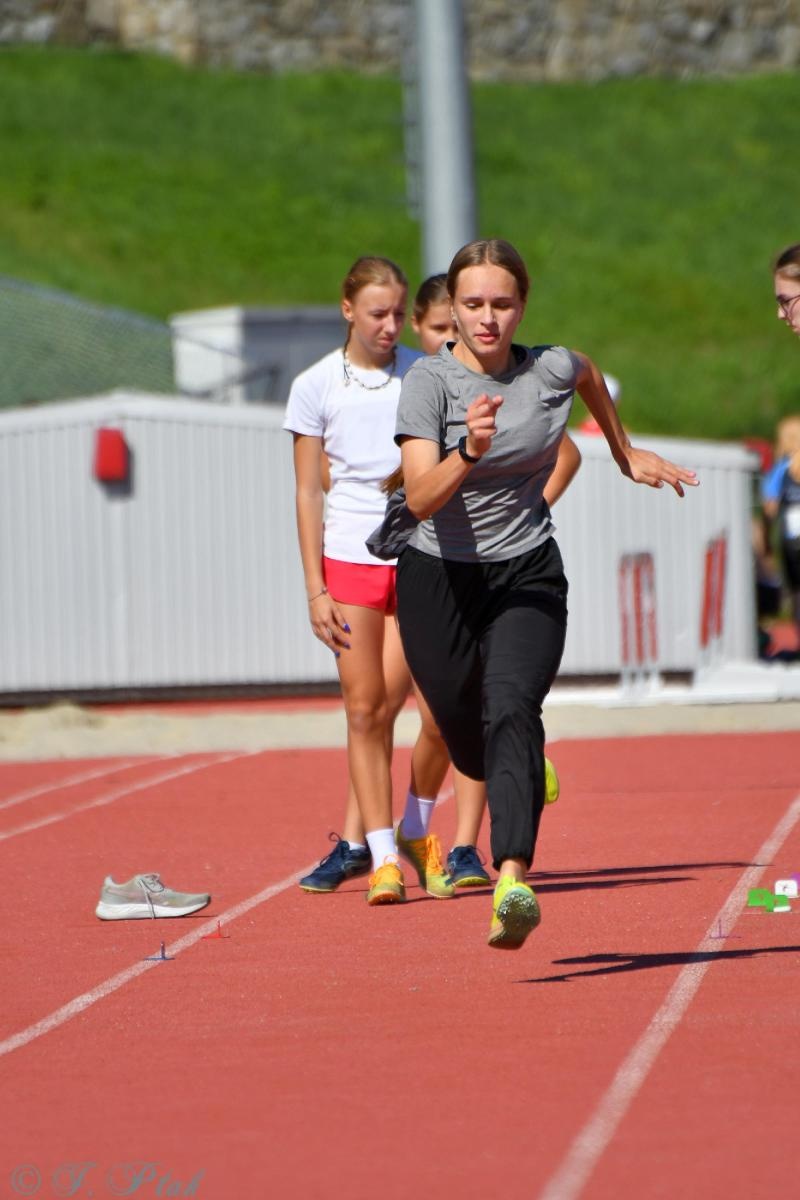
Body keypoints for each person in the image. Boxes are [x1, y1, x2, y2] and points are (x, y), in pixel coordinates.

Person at [392, 238, 698, 949]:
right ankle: (521, 761)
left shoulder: (548, 368)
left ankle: (511, 881)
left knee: (511, 706)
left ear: (522, 305)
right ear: (452, 308)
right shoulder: (429, 384)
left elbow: (585, 372)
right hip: (438, 576)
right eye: (473, 304)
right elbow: (420, 497)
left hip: (527, 571)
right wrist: (467, 450)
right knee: (464, 732)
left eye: (502, 303)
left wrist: (624, 451)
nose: (488, 318)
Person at [283, 255, 454, 906]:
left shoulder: (425, 373)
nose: (389, 326)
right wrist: (315, 588)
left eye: (397, 314)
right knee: (364, 709)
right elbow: (309, 491)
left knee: (427, 712)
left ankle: (414, 826)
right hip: (350, 562)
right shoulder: (315, 385)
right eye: (377, 313)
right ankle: (381, 857)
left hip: (419, 558)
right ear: (347, 309)